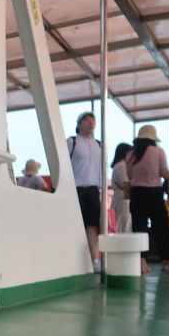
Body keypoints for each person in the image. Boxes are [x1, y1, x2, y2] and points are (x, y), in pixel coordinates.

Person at [126, 125, 169, 274]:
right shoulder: (158, 152)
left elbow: (129, 175)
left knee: (139, 229)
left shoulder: (130, 154)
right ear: (153, 139)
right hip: (153, 193)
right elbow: (164, 173)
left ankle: (141, 263)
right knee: (162, 229)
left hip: (136, 193)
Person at [68, 111, 102, 272]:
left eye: (93, 120)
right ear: (79, 124)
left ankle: (94, 259)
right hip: (76, 190)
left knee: (92, 226)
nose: (91, 122)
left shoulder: (99, 145)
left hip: (93, 190)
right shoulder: (72, 141)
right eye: (87, 120)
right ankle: (72, 261)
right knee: (74, 225)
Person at [110, 142, 132, 234]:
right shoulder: (121, 166)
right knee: (123, 226)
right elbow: (126, 184)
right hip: (123, 201)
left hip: (121, 200)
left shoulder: (119, 166)